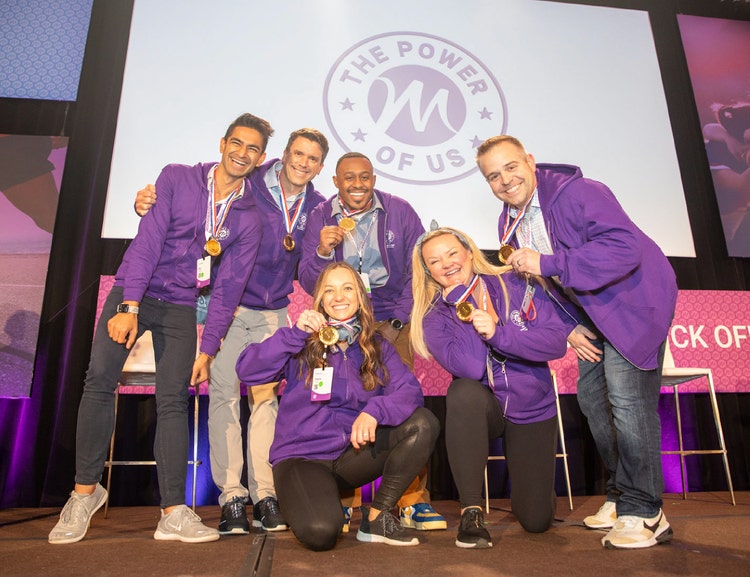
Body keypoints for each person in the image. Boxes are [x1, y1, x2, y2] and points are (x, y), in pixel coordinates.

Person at [48, 112, 271, 544]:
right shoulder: (177, 178)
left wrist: (207, 350)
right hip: (137, 289)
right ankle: (83, 494)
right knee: (98, 382)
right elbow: (148, 241)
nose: (242, 153)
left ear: (260, 159)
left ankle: (172, 511)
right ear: (222, 143)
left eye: (253, 149)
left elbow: (228, 289)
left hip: (182, 306)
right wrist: (128, 304)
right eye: (237, 144)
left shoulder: (249, 218)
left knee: (173, 401)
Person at [476, 135, 678, 550]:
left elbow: (623, 249)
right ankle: (621, 495)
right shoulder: (509, 220)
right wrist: (568, 326)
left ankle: (645, 510)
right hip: (591, 315)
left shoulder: (579, 192)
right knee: (592, 402)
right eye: (493, 176)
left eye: (511, 167)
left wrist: (548, 262)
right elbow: (541, 284)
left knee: (627, 402)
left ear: (530, 161)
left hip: (631, 305)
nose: (505, 180)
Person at [134, 128, 329, 534]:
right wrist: (146, 201)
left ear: (320, 166)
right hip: (228, 305)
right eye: (297, 153)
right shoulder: (249, 182)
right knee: (222, 396)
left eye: (312, 158)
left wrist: (325, 252)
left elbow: (311, 273)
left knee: (265, 402)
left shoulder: (320, 208)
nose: (302, 163)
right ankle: (232, 497)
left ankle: (266, 495)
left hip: (274, 311)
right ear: (281, 155)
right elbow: (199, 202)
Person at [235, 262, 440, 551]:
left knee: (423, 423)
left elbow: (410, 392)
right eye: (329, 290)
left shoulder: (377, 345)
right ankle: (321, 502)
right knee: (321, 533)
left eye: (347, 289)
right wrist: (294, 335)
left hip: (352, 456)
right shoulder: (300, 342)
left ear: (360, 297)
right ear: (319, 299)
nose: (338, 297)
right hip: (302, 459)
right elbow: (247, 370)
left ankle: (378, 517)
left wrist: (374, 411)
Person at [299, 152, 446, 532]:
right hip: (343, 319)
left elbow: (420, 274)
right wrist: (320, 251)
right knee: (339, 405)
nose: (358, 184)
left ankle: (412, 501)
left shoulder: (399, 211)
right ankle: (345, 500)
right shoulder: (319, 216)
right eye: (350, 178)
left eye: (365, 177)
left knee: (405, 405)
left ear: (374, 179)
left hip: (392, 320)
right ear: (335, 181)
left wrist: (396, 321)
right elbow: (307, 277)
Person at [410, 226, 571, 549]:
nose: (447, 264)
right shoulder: (434, 316)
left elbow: (556, 344)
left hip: (531, 407)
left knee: (537, 521)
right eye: (435, 261)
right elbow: (469, 367)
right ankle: (471, 512)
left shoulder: (517, 282)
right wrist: (464, 305)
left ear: (470, 251)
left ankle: (535, 486)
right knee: (462, 392)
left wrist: (499, 334)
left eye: (453, 253)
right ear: (428, 271)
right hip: (485, 407)